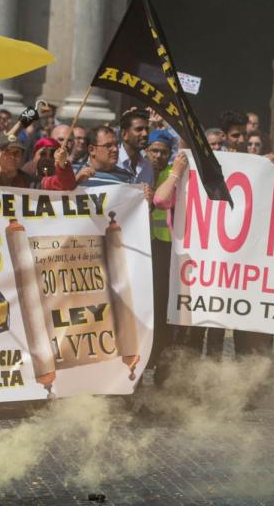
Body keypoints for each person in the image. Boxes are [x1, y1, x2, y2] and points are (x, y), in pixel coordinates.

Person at [147, 130, 186, 387]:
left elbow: (161, 199)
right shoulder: (143, 172)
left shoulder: (173, 174)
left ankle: (163, 367)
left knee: (165, 312)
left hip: (168, 250)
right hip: (147, 249)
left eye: (164, 151)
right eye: (154, 151)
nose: (159, 156)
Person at [118, 110, 154, 186]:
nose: (145, 134)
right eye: (139, 129)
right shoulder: (112, 162)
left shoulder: (148, 167)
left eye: (147, 129)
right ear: (124, 134)